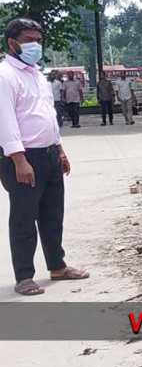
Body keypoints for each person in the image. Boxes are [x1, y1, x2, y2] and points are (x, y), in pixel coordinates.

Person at [0, 18, 89, 296]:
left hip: (49, 154)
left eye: (38, 40)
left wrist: (60, 149)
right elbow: (6, 121)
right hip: (23, 157)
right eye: (29, 40)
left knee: (53, 215)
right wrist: (19, 160)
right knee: (24, 218)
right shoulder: (5, 76)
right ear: (12, 43)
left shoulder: (37, 74)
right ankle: (24, 276)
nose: (35, 45)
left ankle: (57, 266)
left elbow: (49, 114)